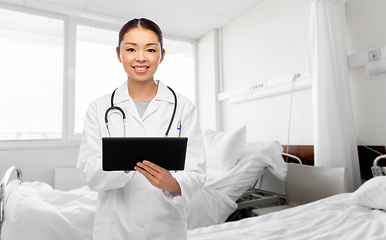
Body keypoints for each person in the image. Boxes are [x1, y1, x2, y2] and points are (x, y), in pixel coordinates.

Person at [76, 18, 206, 240]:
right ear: (119, 54)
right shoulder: (99, 108)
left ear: (162, 55)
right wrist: (124, 163)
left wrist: (173, 184)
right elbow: (88, 171)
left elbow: (197, 172)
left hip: (165, 229)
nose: (141, 57)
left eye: (151, 49)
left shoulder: (183, 107)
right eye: (131, 49)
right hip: (115, 229)